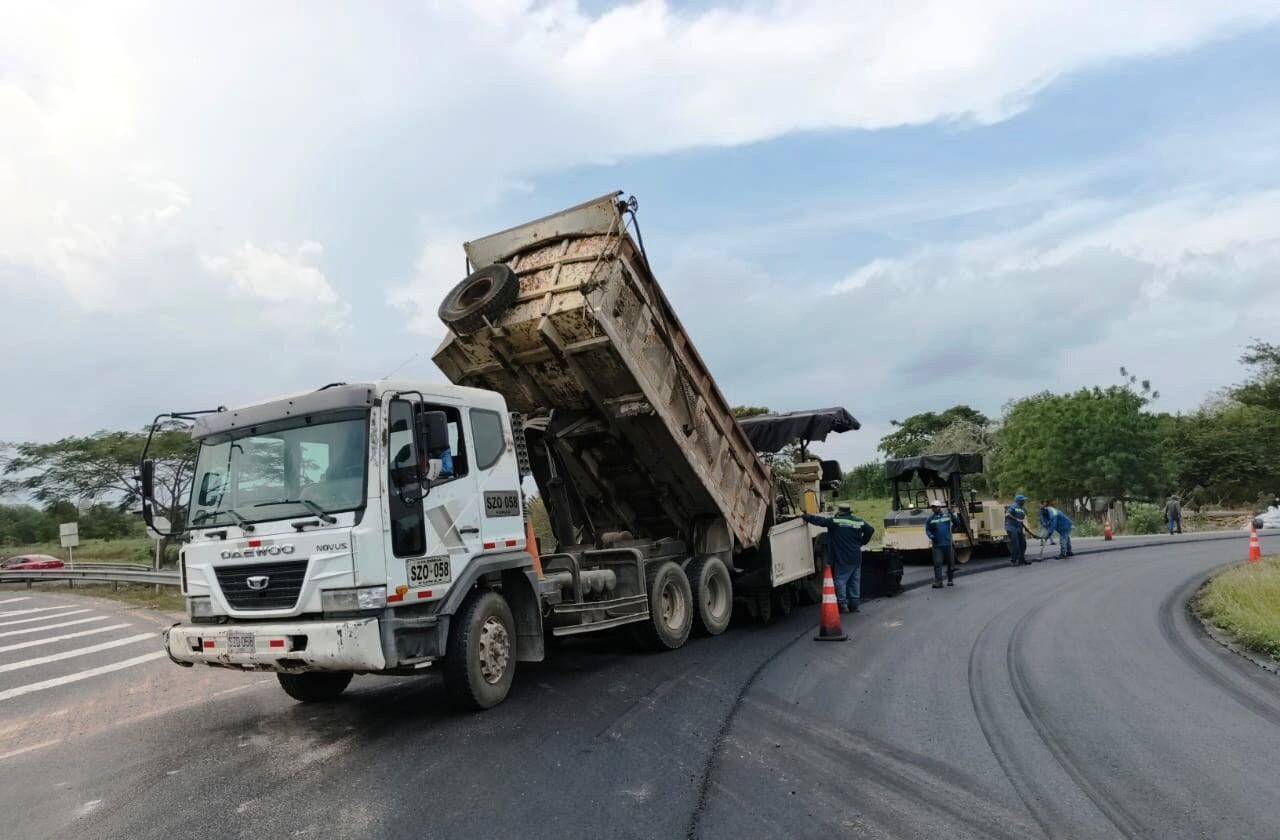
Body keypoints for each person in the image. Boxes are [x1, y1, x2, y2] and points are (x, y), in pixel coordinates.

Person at [803, 503, 875, 613]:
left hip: (842, 558)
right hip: (856, 557)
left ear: (840, 511)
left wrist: (806, 517)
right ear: (849, 511)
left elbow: (820, 521)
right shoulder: (858, 521)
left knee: (840, 581)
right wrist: (862, 541)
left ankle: (843, 605)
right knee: (854, 581)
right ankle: (855, 605)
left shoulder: (835, 522)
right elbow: (870, 529)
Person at [925, 500, 962, 588]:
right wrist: (931, 536)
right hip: (937, 545)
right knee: (937, 563)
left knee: (950, 563)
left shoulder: (947, 515)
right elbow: (927, 530)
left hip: (948, 543)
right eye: (933, 507)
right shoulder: (930, 519)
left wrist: (951, 514)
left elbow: (957, 523)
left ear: (940, 507)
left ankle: (950, 580)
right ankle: (938, 581)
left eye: (936, 506)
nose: (934, 508)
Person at [1005, 495, 1033, 566]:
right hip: (1011, 528)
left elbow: (1021, 521)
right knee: (1016, 545)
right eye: (1023, 500)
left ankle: (1022, 559)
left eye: (1024, 500)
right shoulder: (1013, 506)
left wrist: (1026, 529)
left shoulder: (1022, 508)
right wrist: (1016, 519)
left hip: (1019, 528)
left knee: (1023, 544)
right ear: (1018, 501)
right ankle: (1013, 561)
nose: (1024, 501)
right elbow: (1007, 514)